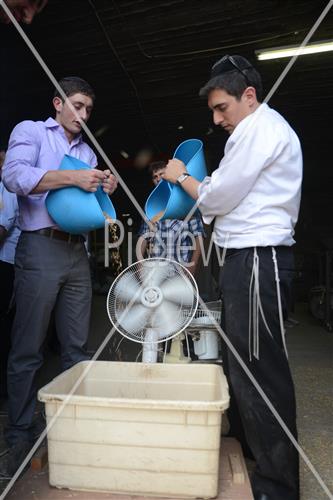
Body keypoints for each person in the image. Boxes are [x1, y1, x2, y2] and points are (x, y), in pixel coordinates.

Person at [163, 55, 302, 500]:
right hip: (243, 259)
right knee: (240, 362)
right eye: (213, 112)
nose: (218, 118)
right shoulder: (247, 135)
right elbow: (220, 187)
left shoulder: (260, 129)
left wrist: (182, 176)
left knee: (261, 369)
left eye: (222, 107)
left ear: (248, 96)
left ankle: (278, 487)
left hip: (259, 258)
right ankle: (247, 451)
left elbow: (218, 195)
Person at [0, 76, 118, 477]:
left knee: (76, 347)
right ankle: (19, 431)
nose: (83, 116)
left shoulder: (85, 150)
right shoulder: (31, 132)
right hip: (39, 246)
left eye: (88, 109)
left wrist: (104, 187)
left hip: (75, 251)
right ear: (58, 102)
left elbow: (85, 203)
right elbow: (13, 177)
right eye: (78, 106)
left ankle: (74, 424)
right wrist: (73, 177)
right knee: (28, 346)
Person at [138, 160, 205, 277]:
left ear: (170, 176)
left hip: (181, 270)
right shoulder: (151, 207)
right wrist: (139, 264)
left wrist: (192, 265)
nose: (158, 179)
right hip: (156, 272)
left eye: (162, 174)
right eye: (155, 177)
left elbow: (199, 237)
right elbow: (143, 237)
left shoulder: (186, 202)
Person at [0, 150, 20, 399]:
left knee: (7, 322)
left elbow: (4, 226)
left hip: (8, 262)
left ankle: (6, 385)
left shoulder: (11, 188)